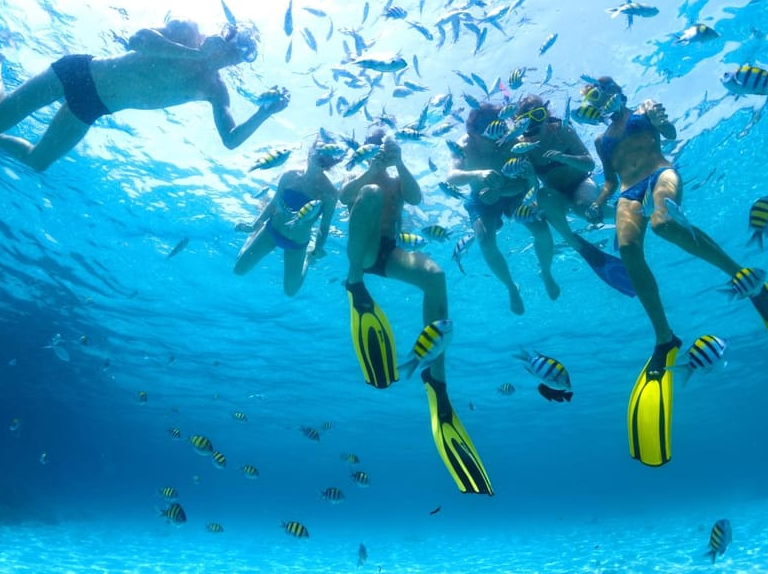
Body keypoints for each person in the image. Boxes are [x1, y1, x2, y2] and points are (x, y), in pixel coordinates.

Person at [585, 76, 768, 468]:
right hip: (626, 193)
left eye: (602, 93)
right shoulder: (602, 141)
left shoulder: (642, 111)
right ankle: (664, 338)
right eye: (592, 96)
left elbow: (670, 133)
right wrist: (599, 201)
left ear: (618, 92)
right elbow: (609, 180)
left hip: (660, 173)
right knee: (629, 251)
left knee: (665, 223)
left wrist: (659, 120)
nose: (599, 100)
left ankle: (744, 277)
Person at [341, 126, 493, 496]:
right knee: (370, 192)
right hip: (361, 251)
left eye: (384, 147)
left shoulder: (397, 179)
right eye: (373, 146)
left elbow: (417, 196)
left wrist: (399, 163)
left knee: (436, 276)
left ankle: (435, 379)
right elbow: (346, 196)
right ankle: (354, 283)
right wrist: (371, 168)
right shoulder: (356, 174)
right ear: (365, 149)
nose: (379, 150)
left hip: (389, 251)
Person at [0, 20, 289, 171]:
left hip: (93, 107)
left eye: (244, 54)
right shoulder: (188, 32)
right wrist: (197, 54)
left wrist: (264, 113)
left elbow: (230, 140)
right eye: (235, 42)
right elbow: (137, 40)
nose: (233, 53)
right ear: (225, 33)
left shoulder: (215, 88)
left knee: (38, 162)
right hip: (80, 72)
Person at [513, 94, 635, 298]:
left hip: (581, 183)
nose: (534, 123)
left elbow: (589, 164)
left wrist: (564, 158)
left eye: (538, 115)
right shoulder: (521, 147)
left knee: (585, 209)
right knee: (543, 196)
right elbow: (533, 188)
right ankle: (570, 247)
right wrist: (531, 178)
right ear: (520, 124)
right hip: (555, 194)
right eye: (527, 120)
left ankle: (629, 215)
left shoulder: (562, 130)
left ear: (546, 114)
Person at [446, 102, 546, 314]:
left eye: (499, 126)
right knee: (485, 241)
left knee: (540, 228)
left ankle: (545, 271)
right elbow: (452, 177)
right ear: (472, 133)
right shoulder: (463, 146)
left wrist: (502, 192)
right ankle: (511, 287)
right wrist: (477, 174)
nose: (495, 137)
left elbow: (524, 183)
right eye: (487, 131)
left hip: (512, 193)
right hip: (481, 198)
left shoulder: (512, 143)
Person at [233, 141, 340, 296]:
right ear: (310, 151)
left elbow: (325, 225)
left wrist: (318, 248)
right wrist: (253, 226)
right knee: (238, 270)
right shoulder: (289, 175)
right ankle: (253, 234)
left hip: (297, 243)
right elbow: (273, 203)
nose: (322, 156)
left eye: (327, 155)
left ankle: (307, 259)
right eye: (320, 151)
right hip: (271, 231)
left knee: (290, 291)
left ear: (330, 161)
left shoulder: (329, 193)